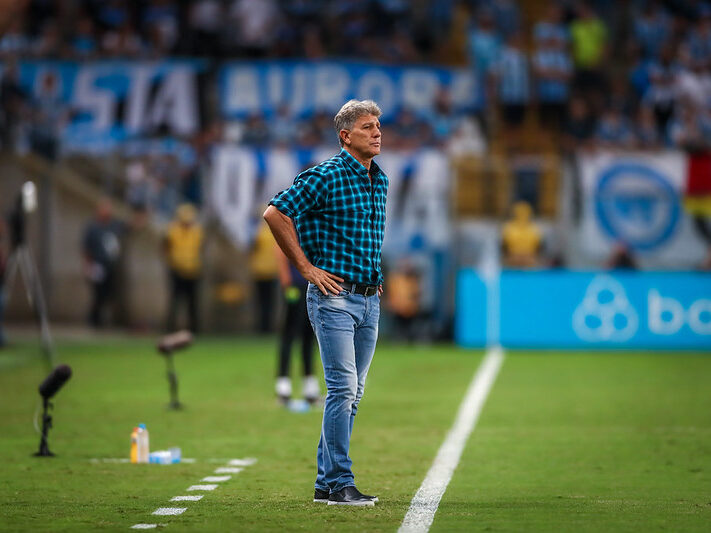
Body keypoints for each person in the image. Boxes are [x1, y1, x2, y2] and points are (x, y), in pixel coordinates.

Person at [263, 99, 386, 507]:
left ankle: (325, 483)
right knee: (342, 388)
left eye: (378, 125)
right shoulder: (325, 176)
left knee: (353, 393)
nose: (377, 131)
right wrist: (305, 268)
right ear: (345, 136)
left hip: (368, 299)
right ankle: (339, 482)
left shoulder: (379, 179)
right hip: (334, 298)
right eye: (367, 126)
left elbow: (367, 239)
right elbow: (275, 213)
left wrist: (375, 277)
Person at [274, 245, 319, 406]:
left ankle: (310, 387)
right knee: (289, 333)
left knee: (309, 334)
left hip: (312, 284)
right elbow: (280, 248)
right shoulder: (293, 220)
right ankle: (283, 386)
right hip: (295, 285)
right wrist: (286, 278)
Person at [82, 198, 124, 328]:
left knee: (110, 293)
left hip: (111, 265)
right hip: (98, 265)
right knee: (98, 294)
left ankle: (105, 319)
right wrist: (87, 266)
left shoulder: (114, 225)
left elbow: (128, 228)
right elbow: (86, 248)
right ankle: (94, 320)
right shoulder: (93, 228)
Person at [163, 203, 204, 333]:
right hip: (177, 271)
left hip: (193, 271)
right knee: (175, 302)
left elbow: (201, 250)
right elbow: (166, 248)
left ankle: (194, 329)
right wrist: (171, 263)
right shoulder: (172, 231)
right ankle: (171, 328)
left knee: (193, 303)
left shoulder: (197, 231)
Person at [502, 201, 542, 268]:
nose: (522, 215)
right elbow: (504, 247)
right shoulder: (508, 227)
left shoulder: (534, 228)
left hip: (530, 258)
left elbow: (538, 247)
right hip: (513, 258)